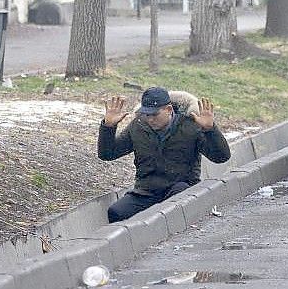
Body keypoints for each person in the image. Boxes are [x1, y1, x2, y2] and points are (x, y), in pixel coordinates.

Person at [98, 87, 231, 223]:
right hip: (146, 192)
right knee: (117, 212)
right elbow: (107, 154)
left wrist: (210, 130)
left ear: (168, 110)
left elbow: (221, 157)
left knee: (178, 198)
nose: (150, 119)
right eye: (146, 114)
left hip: (180, 188)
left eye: (154, 114)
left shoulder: (190, 126)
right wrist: (108, 127)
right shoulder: (138, 126)